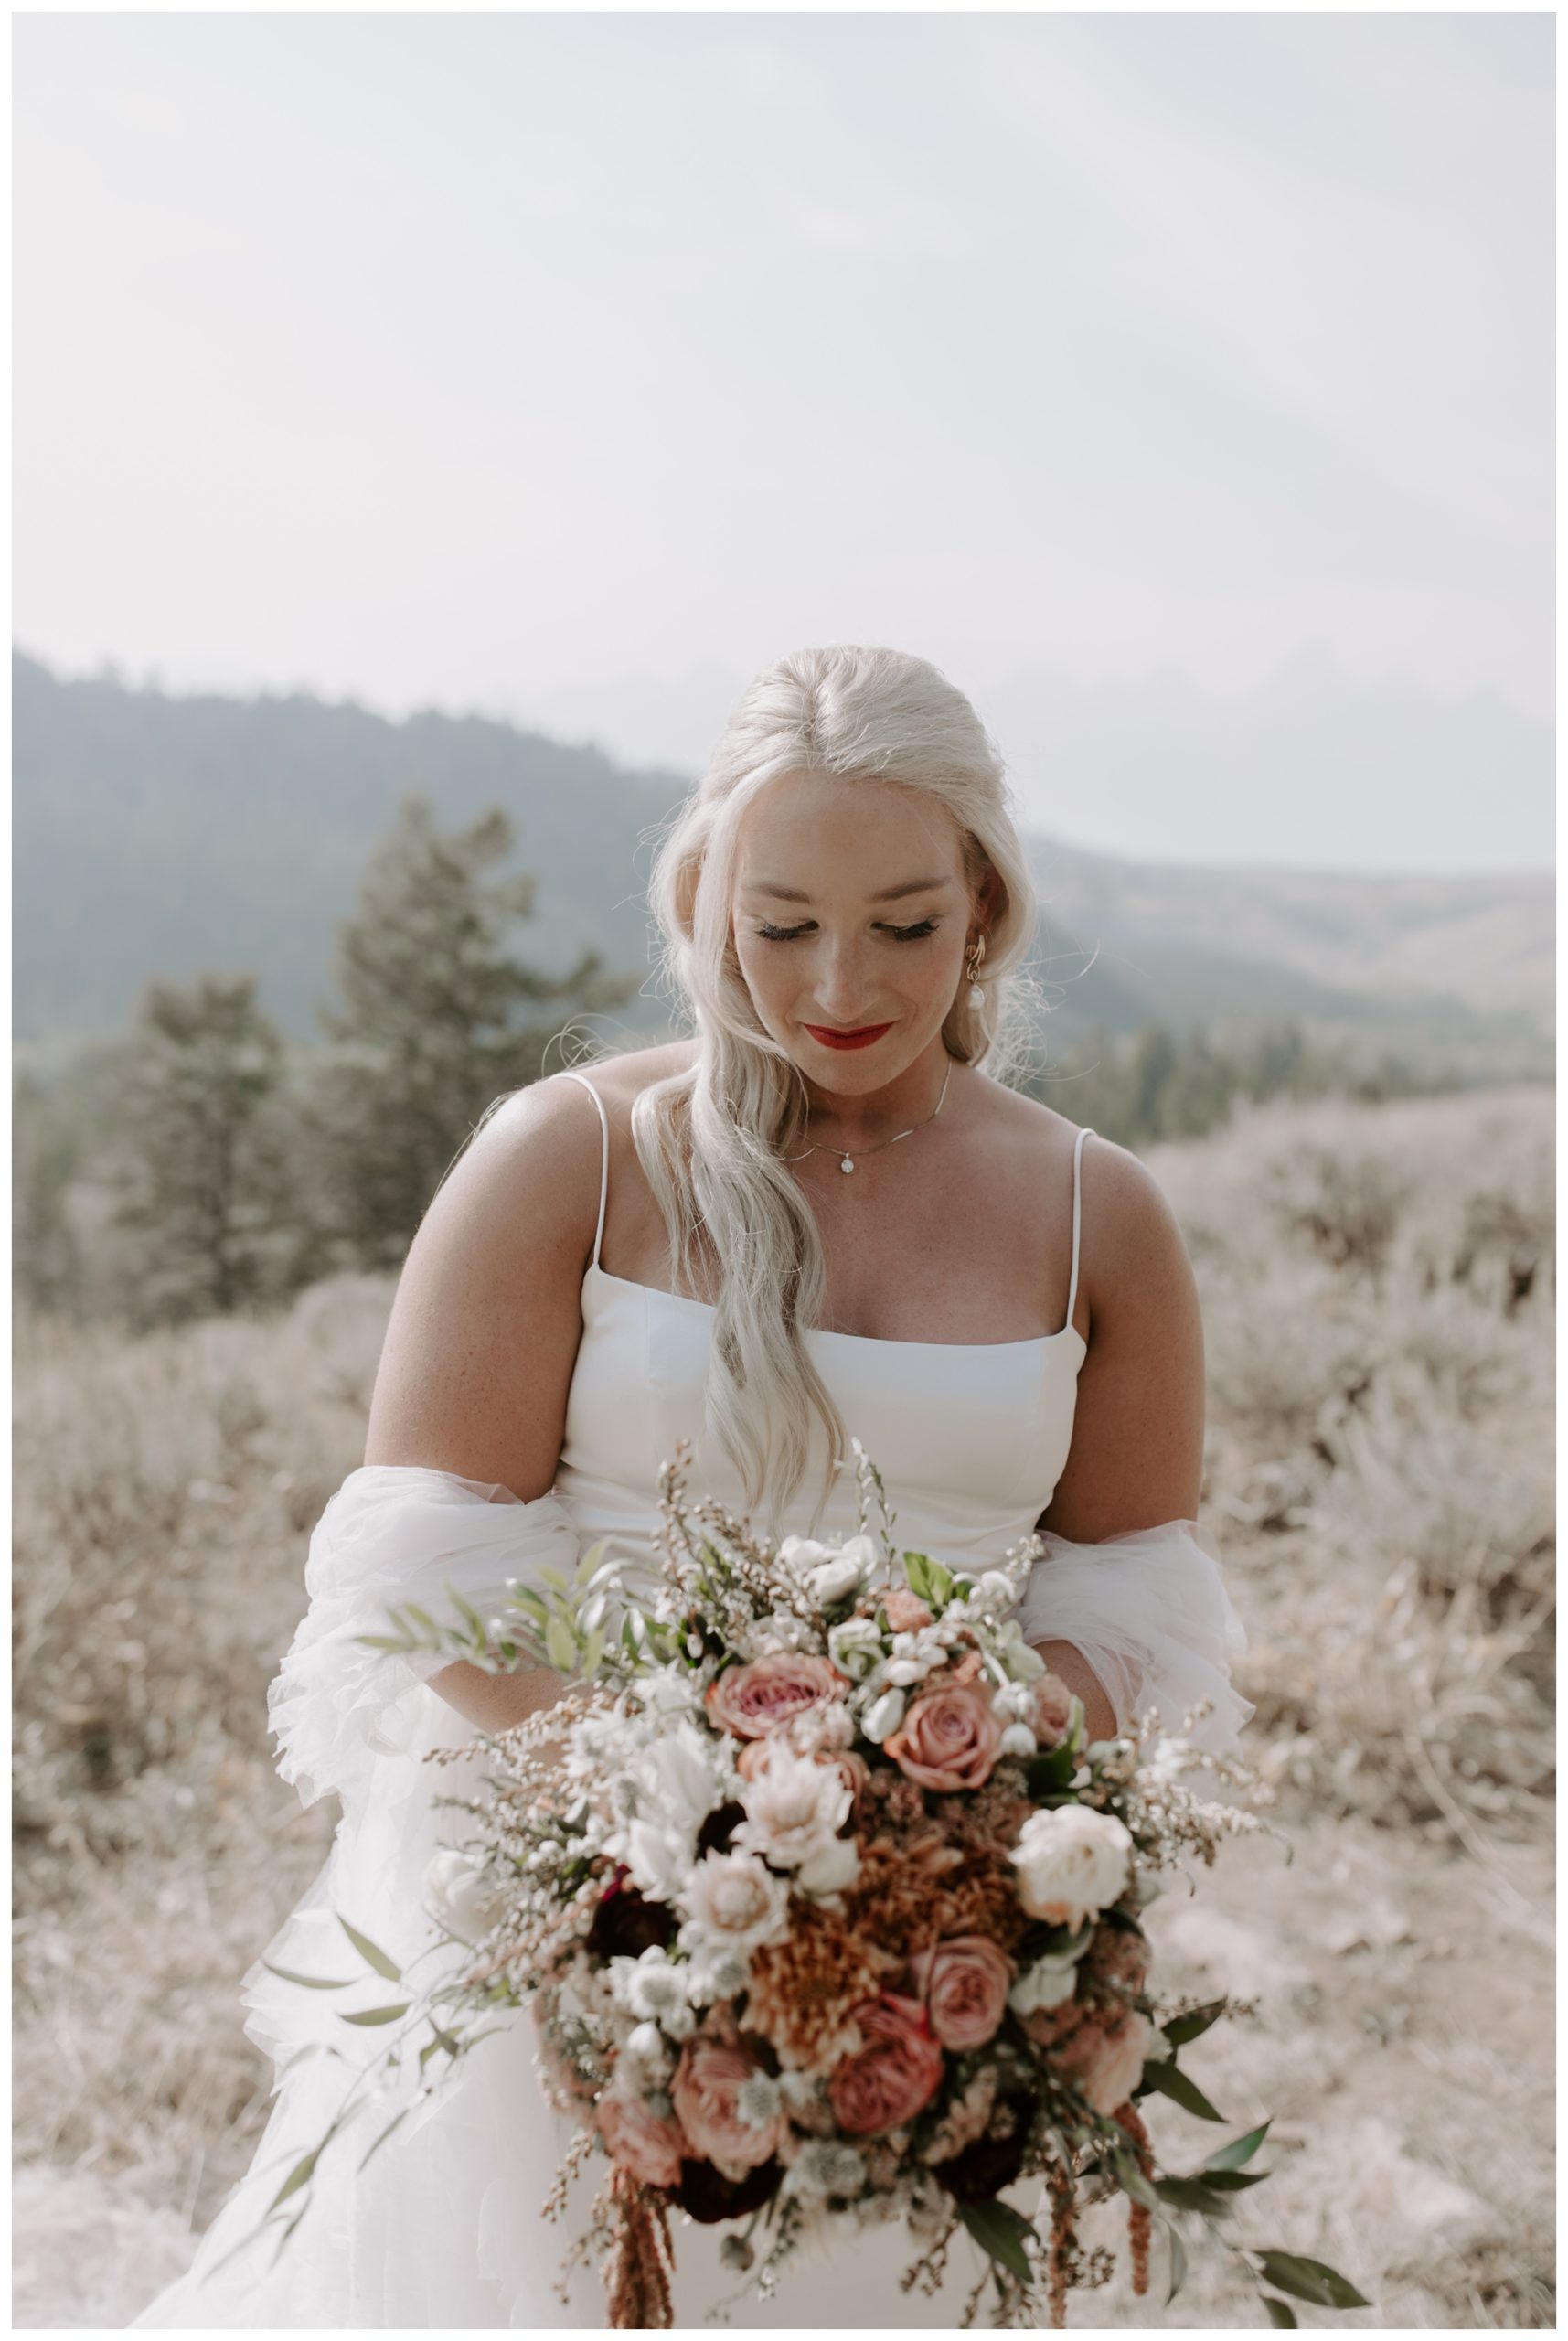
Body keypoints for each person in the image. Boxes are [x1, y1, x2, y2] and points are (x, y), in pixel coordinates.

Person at [131, 645, 1252, 2329]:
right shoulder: (567, 1156)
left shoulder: (1105, 1217)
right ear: (706, 897)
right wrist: (678, 1838)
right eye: (781, 921)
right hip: (561, 1900)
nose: (839, 981)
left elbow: (1128, 1597)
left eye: (904, 921)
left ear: (989, 909)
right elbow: (418, 1559)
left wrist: (919, 1834)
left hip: (933, 1938)